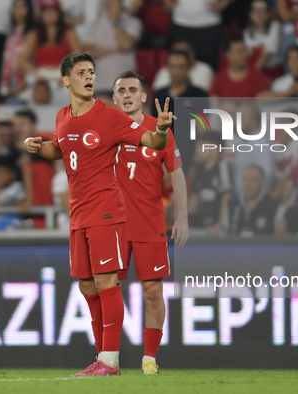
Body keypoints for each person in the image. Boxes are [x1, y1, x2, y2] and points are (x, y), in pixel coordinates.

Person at [23, 52, 173, 376]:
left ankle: (110, 360)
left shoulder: (109, 116)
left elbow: (151, 140)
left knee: (106, 281)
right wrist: (40, 147)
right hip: (77, 215)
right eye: (81, 72)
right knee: (87, 287)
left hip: (105, 211)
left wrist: (160, 130)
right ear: (66, 80)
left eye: (91, 72)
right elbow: (62, 149)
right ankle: (103, 358)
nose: (89, 77)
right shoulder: (63, 116)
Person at [112, 70, 188, 374]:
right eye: (122, 90)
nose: (127, 94)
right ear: (115, 97)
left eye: (133, 89)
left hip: (149, 222)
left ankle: (149, 359)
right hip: (112, 223)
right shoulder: (104, 127)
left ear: (144, 97)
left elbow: (177, 172)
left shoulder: (160, 130)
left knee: (153, 292)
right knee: (107, 290)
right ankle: (107, 358)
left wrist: (181, 215)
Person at [19, 0, 82, 103]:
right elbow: (22, 59)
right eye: (46, 12)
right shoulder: (35, 34)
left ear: (59, 14)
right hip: (41, 74)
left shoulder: (69, 33)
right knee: (28, 95)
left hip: (61, 74)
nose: (49, 15)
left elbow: (79, 57)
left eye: (53, 12)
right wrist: (35, 73)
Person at [84, 0, 142, 101]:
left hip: (126, 83)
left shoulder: (132, 22)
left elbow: (126, 44)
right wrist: (115, 48)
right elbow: (89, 54)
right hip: (101, 85)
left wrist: (115, 22)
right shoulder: (95, 25)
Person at [166, 0, 227, 70]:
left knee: (209, 66)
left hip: (209, 22)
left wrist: (225, 2)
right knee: (178, 63)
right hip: (181, 21)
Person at [226, 165, 281, 236]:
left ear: (262, 181)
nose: (249, 184)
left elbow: (279, 239)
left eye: (253, 180)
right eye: (246, 179)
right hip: (236, 246)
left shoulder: (275, 207)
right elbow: (224, 232)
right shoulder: (232, 204)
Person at [151, 50, 208, 116]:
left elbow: (202, 123)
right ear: (167, 67)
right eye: (173, 66)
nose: (176, 72)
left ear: (188, 67)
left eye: (181, 67)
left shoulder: (199, 95)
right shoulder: (159, 95)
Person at [0, 0, 34, 103]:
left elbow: (33, 59)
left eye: (22, 7)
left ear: (29, 10)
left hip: (27, 81)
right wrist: (4, 83)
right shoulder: (10, 32)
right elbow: (6, 60)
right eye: (16, 7)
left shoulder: (33, 32)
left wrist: (26, 82)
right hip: (11, 81)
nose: (19, 11)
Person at [243, 0, 281, 73]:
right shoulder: (247, 32)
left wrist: (252, 75)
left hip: (273, 70)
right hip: (254, 69)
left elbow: (267, 54)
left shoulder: (275, 26)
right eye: (255, 10)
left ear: (269, 13)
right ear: (250, 13)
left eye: (263, 10)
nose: (259, 13)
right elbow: (249, 55)